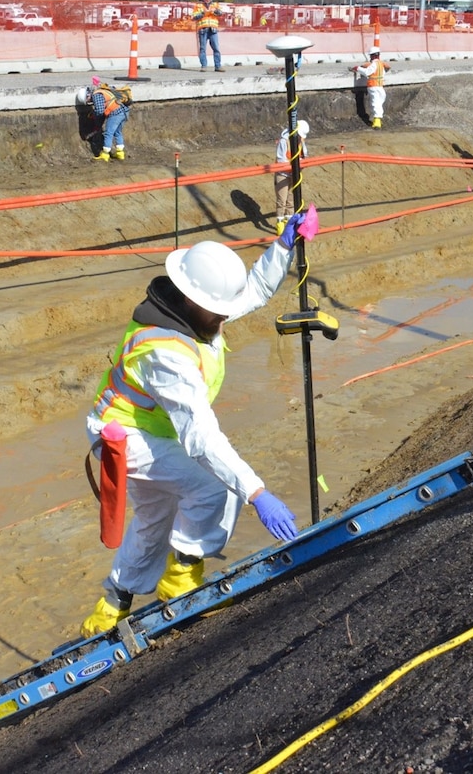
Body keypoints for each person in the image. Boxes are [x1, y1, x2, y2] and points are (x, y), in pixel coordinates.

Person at [80, 222, 312, 638]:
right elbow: (201, 438)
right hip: (124, 436)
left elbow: (254, 291)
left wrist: (283, 245)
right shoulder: (165, 354)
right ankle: (181, 581)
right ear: (190, 299)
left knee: (156, 515)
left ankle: (113, 602)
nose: (225, 317)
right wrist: (257, 493)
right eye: (218, 311)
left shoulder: (199, 312)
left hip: (148, 430)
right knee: (213, 487)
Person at [77, 84, 130, 162]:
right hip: (124, 111)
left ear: (87, 95)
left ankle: (105, 154)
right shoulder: (103, 91)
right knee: (117, 132)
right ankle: (120, 153)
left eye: (87, 100)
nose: (89, 102)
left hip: (115, 114)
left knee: (108, 133)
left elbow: (99, 111)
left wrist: (94, 116)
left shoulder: (96, 95)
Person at [274, 120, 310, 234]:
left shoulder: (301, 140)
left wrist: (301, 163)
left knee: (291, 200)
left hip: (294, 174)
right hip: (283, 174)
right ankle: (280, 224)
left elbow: (305, 155)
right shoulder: (284, 141)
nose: (300, 138)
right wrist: (293, 164)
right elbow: (281, 160)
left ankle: (289, 224)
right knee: (282, 200)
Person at [350, 47, 390, 128]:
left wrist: (358, 68)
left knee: (376, 103)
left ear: (373, 56)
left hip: (374, 86)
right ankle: (377, 119)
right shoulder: (381, 64)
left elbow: (367, 72)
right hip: (379, 86)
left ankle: (377, 120)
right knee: (378, 102)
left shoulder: (374, 64)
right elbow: (386, 69)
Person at [193, 0, 225, 72]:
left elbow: (221, 13)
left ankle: (218, 66)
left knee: (216, 48)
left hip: (213, 30)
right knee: (202, 48)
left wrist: (216, 11)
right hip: (203, 30)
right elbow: (194, 17)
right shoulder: (198, 6)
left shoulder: (215, 5)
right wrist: (202, 14)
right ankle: (204, 66)